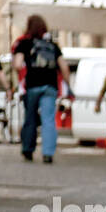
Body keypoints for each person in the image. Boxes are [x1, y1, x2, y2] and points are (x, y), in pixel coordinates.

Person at [12, 15, 70, 164]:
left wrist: (24, 72)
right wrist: (68, 85)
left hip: (32, 85)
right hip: (50, 86)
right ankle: (48, 153)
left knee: (30, 118)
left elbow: (18, 64)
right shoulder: (52, 45)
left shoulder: (24, 43)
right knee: (49, 119)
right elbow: (64, 67)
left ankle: (28, 150)